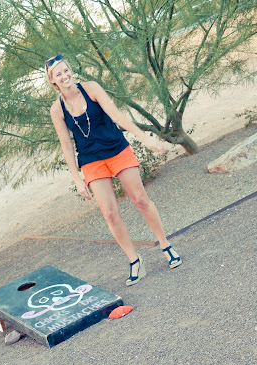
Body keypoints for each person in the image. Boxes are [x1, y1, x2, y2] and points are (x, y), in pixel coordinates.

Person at [45, 55, 182, 286]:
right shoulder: (57, 110)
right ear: (52, 80)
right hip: (91, 160)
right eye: (59, 74)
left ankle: (165, 244)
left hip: (116, 149)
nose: (65, 75)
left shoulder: (91, 88)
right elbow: (66, 146)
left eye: (66, 70)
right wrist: (77, 179)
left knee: (140, 199)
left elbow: (117, 116)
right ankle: (134, 260)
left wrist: (145, 138)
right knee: (109, 213)